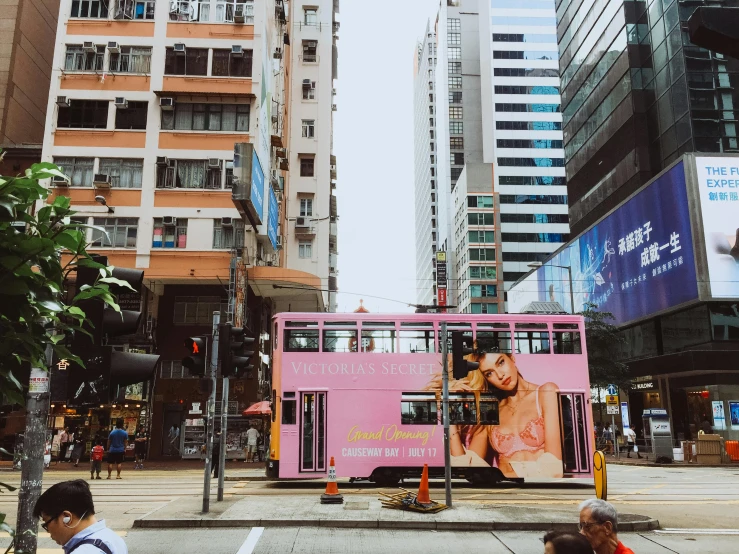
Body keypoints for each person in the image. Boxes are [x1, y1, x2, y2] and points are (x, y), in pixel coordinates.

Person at [442, 348, 563, 478]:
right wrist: (450, 412)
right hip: (503, 494)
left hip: (541, 491)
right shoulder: (490, 409)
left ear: (511, 357)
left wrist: (499, 476)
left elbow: (553, 466)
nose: (500, 375)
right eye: (489, 373)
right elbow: (468, 468)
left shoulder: (546, 393)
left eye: (500, 362)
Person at [33, 479, 127, 554]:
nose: (48, 531)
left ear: (67, 518)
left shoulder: (85, 551)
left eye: (46, 523)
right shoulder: (111, 537)